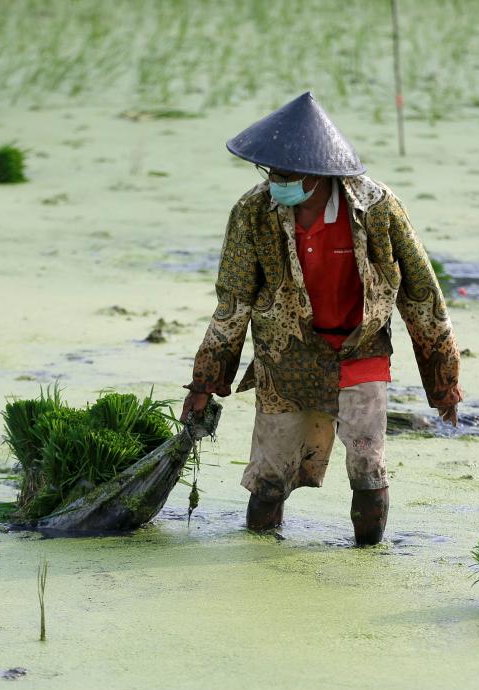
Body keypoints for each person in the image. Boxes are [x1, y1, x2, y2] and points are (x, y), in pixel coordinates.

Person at [181, 92, 462, 546]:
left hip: (360, 350)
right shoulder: (253, 214)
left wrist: (443, 383)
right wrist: (203, 383)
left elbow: (422, 294)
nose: (276, 182)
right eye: (270, 172)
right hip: (285, 356)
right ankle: (261, 557)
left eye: (287, 175)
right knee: (269, 476)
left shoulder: (377, 209)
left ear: (319, 174)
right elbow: (233, 303)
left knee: (368, 468)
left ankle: (367, 559)